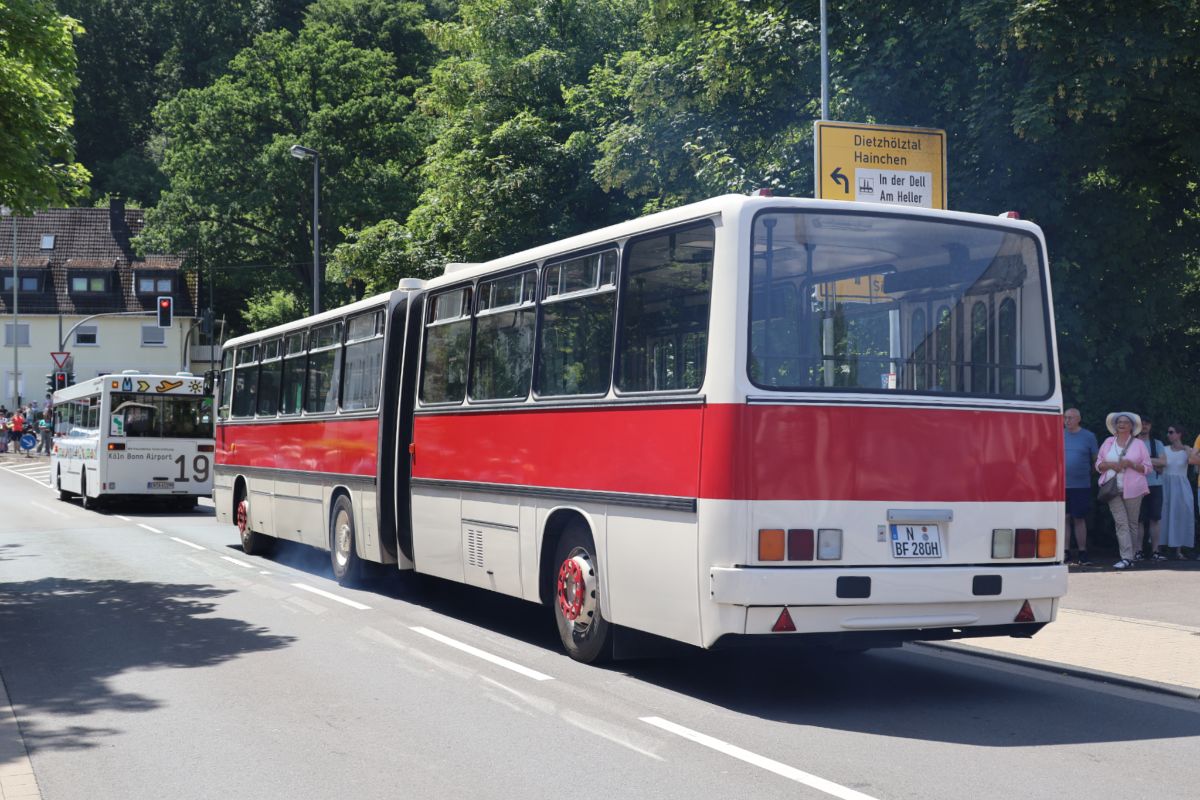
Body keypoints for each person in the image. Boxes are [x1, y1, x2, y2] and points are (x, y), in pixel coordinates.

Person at [1095, 411, 1153, 570]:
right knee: (1121, 523)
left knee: (1133, 524)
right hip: (1112, 488)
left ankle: (1131, 556)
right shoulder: (1108, 442)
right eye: (1119, 422)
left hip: (1134, 488)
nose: (1121, 424)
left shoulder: (1139, 444)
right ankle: (1126, 557)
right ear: (1115, 425)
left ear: (1132, 427)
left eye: (1125, 422)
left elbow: (1148, 468)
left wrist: (1131, 464)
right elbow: (1098, 464)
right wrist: (1111, 465)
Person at [1063, 408, 1099, 564]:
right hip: (1060, 485)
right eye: (1065, 418)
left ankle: (1082, 552)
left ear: (1079, 419)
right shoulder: (1058, 434)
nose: (1067, 421)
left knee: (1079, 518)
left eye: (1070, 418)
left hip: (1081, 484)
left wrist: (1086, 475)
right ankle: (1065, 552)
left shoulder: (1089, 436)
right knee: (1064, 518)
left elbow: (1095, 461)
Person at [1160, 424, 1196, 560]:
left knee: (1180, 515)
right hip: (1165, 484)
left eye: (1171, 432)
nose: (1168, 435)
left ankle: (1178, 549)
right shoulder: (1164, 449)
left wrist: (1187, 449)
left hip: (1181, 486)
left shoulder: (1188, 450)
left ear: (1179, 434)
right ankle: (1158, 549)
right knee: (1162, 514)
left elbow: (1192, 461)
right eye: (1168, 432)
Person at [1137, 418, 1165, 560]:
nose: (1145, 426)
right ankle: (1138, 551)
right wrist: (1153, 462)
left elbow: (1163, 462)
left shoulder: (1157, 443)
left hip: (1155, 485)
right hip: (1136, 485)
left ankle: (1155, 551)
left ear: (1151, 426)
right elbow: (1129, 461)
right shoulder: (1132, 443)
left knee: (1155, 518)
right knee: (1138, 520)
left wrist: (1143, 460)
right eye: (1142, 423)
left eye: (1147, 423)